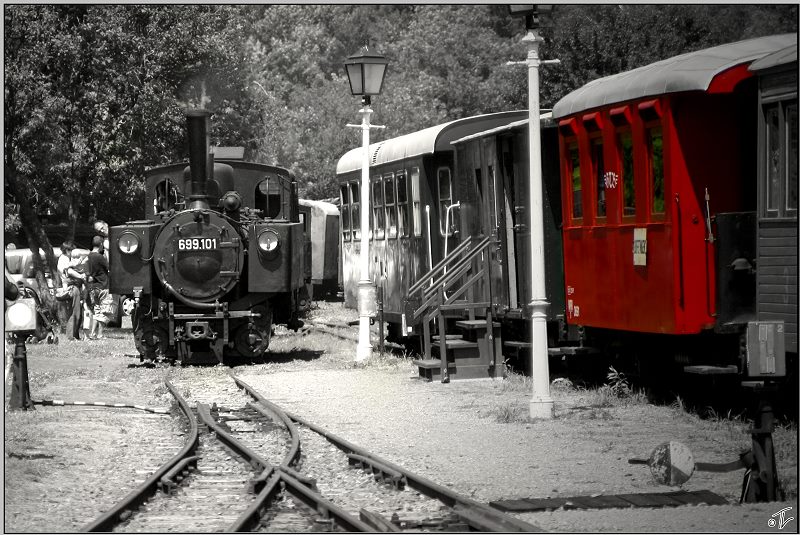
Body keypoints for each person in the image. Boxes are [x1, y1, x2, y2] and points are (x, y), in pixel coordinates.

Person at [86, 236, 112, 340]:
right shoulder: (100, 257)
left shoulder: (89, 256)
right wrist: (107, 252)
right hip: (103, 286)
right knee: (104, 311)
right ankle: (100, 334)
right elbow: (110, 267)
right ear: (101, 244)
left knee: (96, 311)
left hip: (93, 288)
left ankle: (92, 333)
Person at [57, 241, 84, 340]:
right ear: (66, 250)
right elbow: (68, 272)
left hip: (72, 286)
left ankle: (75, 335)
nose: (71, 252)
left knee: (76, 313)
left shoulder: (66, 259)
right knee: (73, 313)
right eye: (70, 250)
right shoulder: (63, 259)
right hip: (71, 287)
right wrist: (81, 276)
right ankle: (71, 336)